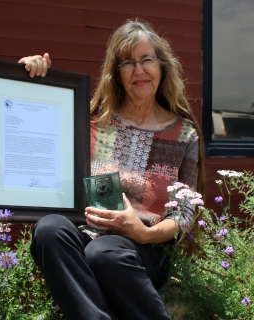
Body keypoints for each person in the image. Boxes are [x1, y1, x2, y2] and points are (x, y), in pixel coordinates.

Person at [19, 19, 205, 320]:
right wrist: (32, 77)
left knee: (104, 253)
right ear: (116, 74)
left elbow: (183, 215)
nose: (139, 70)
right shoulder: (93, 122)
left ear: (162, 66)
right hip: (88, 234)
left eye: (146, 60)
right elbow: (39, 127)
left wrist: (143, 233)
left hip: (146, 248)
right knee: (49, 230)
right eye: (128, 63)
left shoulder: (184, 135)